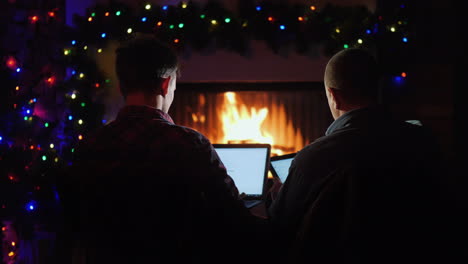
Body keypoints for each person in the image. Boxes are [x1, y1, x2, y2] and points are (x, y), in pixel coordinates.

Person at [59, 36, 266, 264]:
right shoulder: (190, 144)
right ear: (165, 84)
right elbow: (235, 219)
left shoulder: (89, 146)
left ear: (122, 87)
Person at [268, 48, 447, 263]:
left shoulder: (314, 157)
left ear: (333, 96)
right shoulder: (424, 139)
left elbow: (279, 227)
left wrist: (279, 197)